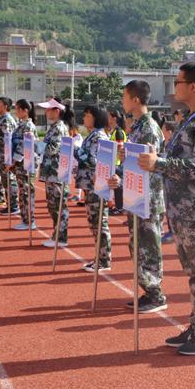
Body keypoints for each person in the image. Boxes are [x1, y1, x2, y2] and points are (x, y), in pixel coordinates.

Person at [141, 62, 195, 355]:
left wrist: (160, 164)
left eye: (178, 82)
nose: (174, 86)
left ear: (192, 86)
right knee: (194, 271)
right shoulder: (191, 118)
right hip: (184, 211)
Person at [111, 80, 168, 314]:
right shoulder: (136, 127)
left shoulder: (149, 128)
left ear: (135, 99)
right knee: (137, 245)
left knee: (149, 246)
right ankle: (148, 290)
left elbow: (152, 168)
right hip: (137, 195)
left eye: (125, 96)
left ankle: (156, 294)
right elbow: (136, 164)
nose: (122, 101)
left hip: (149, 199)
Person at [75, 105, 112, 271]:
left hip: (97, 185)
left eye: (87, 115)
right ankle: (99, 257)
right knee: (93, 222)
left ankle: (104, 260)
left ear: (96, 118)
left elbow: (94, 160)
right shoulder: (92, 135)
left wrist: (76, 151)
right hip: (90, 184)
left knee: (99, 222)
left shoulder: (99, 137)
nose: (84, 118)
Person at [37, 97, 73, 249]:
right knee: (53, 206)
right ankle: (57, 234)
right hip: (51, 173)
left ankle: (61, 237)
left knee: (58, 206)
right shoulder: (54, 127)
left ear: (56, 111)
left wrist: (36, 144)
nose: (46, 112)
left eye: (48, 109)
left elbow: (52, 149)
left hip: (56, 173)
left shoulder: (59, 128)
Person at [10, 99, 38, 231]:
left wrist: (13, 160)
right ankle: (25, 219)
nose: (16, 112)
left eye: (17, 109)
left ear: (25, 111)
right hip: (21, 164)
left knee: (27, 192)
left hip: (26, 164)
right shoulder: (21, 125)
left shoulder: (28, 126)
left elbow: (24, 145)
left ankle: (30, 221)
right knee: (23, 192)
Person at [107, 109, 127, 215]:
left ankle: (120, 208)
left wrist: (110, 145)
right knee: (115, 187)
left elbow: (121, 146)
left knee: (118, 187)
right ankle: (117, 206)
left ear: (114, 118)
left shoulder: (119, 131)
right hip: (113, 162)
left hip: (118, 162)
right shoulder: (114, 131)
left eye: (109, 116)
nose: (107, 118)